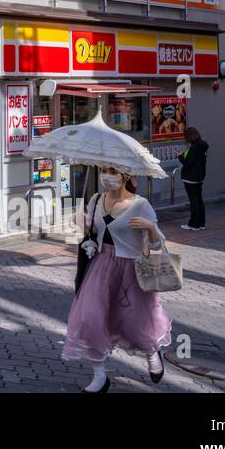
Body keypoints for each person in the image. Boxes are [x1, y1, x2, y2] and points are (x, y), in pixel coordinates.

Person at [63, 166, 173, 392]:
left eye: (113, 171)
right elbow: (93, 232)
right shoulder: (96, 199)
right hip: (101, 266)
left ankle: (152, 352)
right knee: (91, 318)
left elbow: (157, 245)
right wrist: (82, 224)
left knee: (136, 321)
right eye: (104, 170)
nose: (107, 176)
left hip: (132, 269)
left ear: (126, 175)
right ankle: (99, 376)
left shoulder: (140, 205)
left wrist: (150, 228)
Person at [177, 127, 209, 230]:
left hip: (190, 178)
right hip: (199, 177)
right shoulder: (203, 146)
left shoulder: (193, 148)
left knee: (194, 201)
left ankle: (193, 224)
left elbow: (187, 163)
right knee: (199, 200)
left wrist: (180, 156)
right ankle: (201, 223)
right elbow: (196, 161)